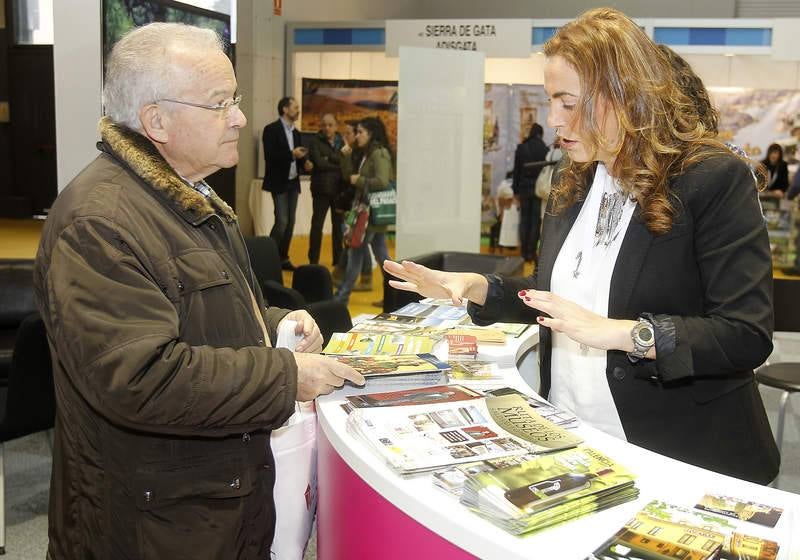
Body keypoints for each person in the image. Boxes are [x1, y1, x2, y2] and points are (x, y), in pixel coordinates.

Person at [385, 7, 779, 485]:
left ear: (623, 95)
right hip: (578, 440)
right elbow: (556, 297)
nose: (553, 119)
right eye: (550, 101)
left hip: (678, 452)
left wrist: (621, 333)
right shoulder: (571, 181)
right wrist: (477, 287)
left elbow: (744, 333)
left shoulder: (711, 179)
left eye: (567, 103)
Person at [33, 23, 364, 559]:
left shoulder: (188, 195)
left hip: (207, 502)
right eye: (218, 103)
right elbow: (140, 377)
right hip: (154, 522)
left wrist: (275, 322)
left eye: (234, 99)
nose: (238, 117)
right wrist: (286, 374)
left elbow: (197, 308)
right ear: (156, 121)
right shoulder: (99, 223)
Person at [336, 116, 393, 305]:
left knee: (356, 253)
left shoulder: (379, 153)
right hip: (366, 214)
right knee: (382, 257)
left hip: (370, 215)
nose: (357, 135)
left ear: (371, 134)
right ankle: (393, 297)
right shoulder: (366, 153)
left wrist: (358, 180)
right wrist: (345, 155)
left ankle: (341, 298)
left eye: (361, 132)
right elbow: (347, 177)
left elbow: (383, 181)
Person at [263, 96, 312, 271]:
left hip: (293, 183)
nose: (298, 110)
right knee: (282, 221)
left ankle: (283, 258)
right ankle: (267, 256)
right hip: (278, 182)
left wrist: (305, 164)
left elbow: (298, 159)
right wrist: (292, 154)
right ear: (285, 109)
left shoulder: (297, 133)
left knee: (290, 223)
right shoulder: (271, 129)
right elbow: (270, 156)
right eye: (295, 107)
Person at [333, 119, 373, 291]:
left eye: (351, 133)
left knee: (356, 242)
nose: (348, 136)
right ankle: (353, 277)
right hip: (350, 201)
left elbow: (349, 177)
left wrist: (346, 157)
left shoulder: (359, 153)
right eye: (346, 133)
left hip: (357, 203)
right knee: (355, 241)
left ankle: (345, 279)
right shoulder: (350, 152)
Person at [307, 113, 345, 266]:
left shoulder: (342, 140)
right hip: (321, 189)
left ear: (336, 126)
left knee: (338, 228)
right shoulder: (315, 141)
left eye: (330, 125)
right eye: (324, 125)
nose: (327, 128)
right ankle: (313, 261)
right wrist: (336, 160)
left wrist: (328, 158)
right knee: (317, 226)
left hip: (339, 190)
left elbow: (344, 163)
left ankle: (338, 261)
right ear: (321, 127)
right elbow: (319, 163)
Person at [512, 122, 549, 264]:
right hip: (538, 189)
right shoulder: (544, 149)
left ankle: (523, 253)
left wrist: (515, 190)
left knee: (524, 220)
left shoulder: (521, 147)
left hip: (523, 188)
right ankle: (531, 252)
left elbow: (517, 171)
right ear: (541, 133)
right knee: (534, 221)